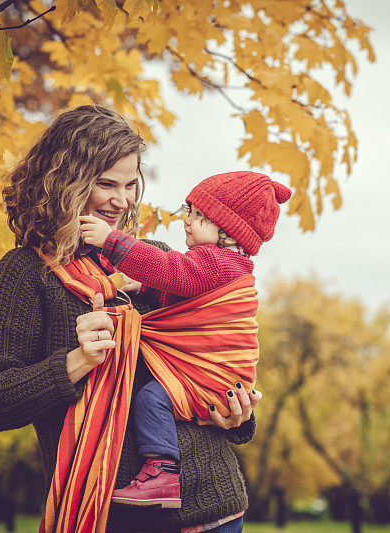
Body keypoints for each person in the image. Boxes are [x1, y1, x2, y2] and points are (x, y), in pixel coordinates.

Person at [0, 105, 261, 533]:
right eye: (106, 184)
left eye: (130, 185)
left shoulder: (157, 259)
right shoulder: (22, 275)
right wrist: (77, 361)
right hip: (113, 515)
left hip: (213, 508)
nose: (121, 200)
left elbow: (212, 348)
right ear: (62, 182)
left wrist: (237, 413)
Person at [78, 171, 291, 509]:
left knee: (151, 399)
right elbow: (183, 293)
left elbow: (170, 269)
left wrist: (111, 241)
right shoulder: (222, 266)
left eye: (200, 216)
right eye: (188, 209)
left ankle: (161, 472)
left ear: (228, 232)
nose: (187, 221)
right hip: (217, 380)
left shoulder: (214, 262)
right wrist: (146, 288)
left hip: (208, 377)